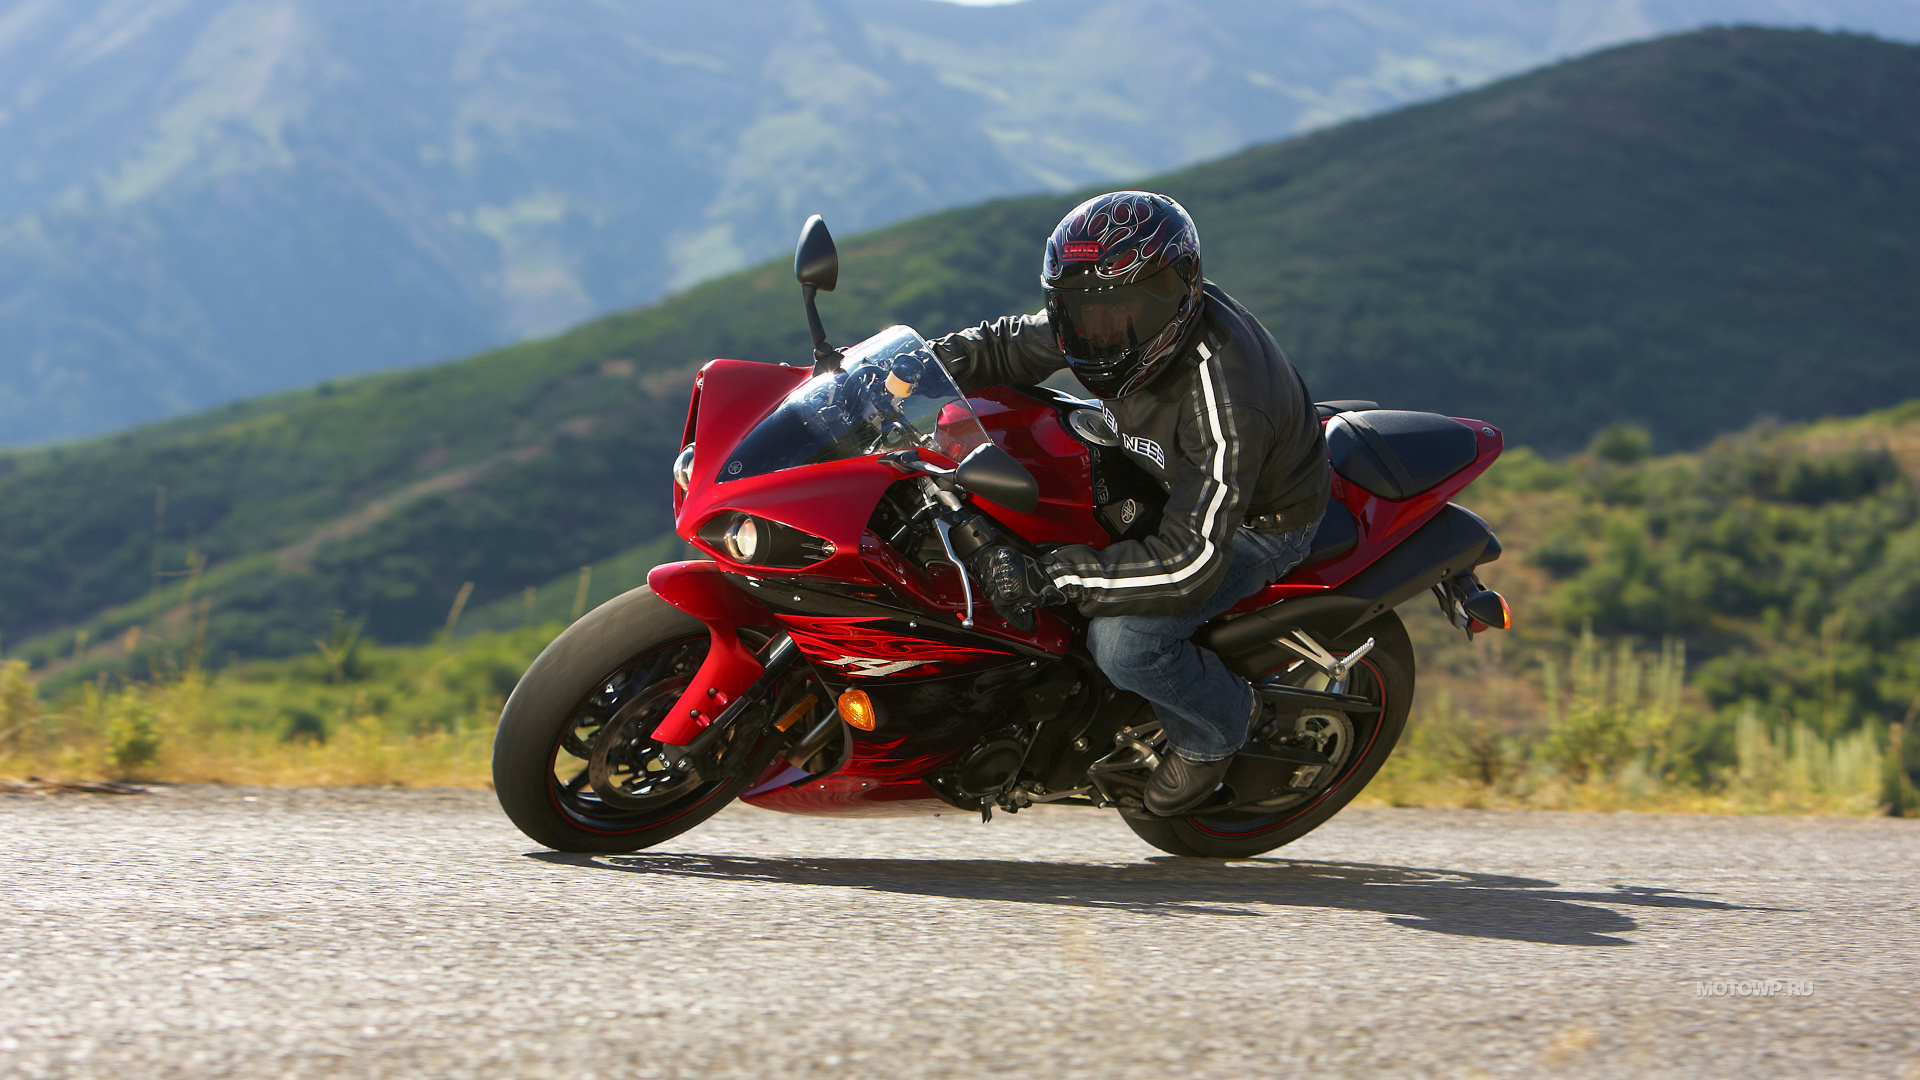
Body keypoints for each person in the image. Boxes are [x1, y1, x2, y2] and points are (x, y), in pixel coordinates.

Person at [925, 190, 1330, 816]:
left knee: (1124, 645)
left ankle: (1218, 729)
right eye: (1082, 309)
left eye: (1122, 307)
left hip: (1254, 523)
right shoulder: (1097, 327)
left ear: (1179, 289)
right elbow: (1004, 347)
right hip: (1160, 474)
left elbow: (1191, 560)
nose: (1102, 328)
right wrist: (909, 372)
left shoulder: (1224, 400)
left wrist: (1052, 575)